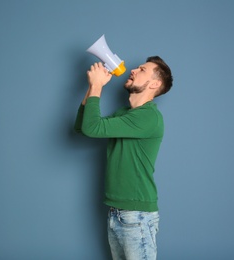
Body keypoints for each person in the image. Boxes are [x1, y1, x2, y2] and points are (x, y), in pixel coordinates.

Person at [74, 56, 173, 260]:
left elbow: (92, 128)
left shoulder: (148, 117)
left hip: (136, 215)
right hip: (117, 212)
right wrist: (91, 88)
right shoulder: (125, 113)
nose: (134, 70)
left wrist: (97, 85)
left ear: (155, 84)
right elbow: (83, 127)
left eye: (142, 70)